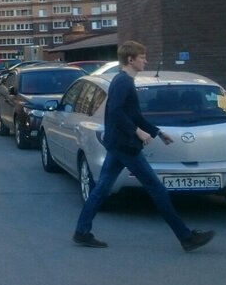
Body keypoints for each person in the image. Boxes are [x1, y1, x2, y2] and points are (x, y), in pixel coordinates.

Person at [73, 40, 216, 252]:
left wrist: (157, 132)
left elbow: (134, 115)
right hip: (126, 146)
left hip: (119, 145)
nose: (145, 61)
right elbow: (115, 112)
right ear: (131, 60)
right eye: (142, 57)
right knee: (157, 189)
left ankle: (81, 231)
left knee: (101, 188)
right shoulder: (123, 82)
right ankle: (186, 237)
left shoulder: (124, 81)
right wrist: (137, 132)